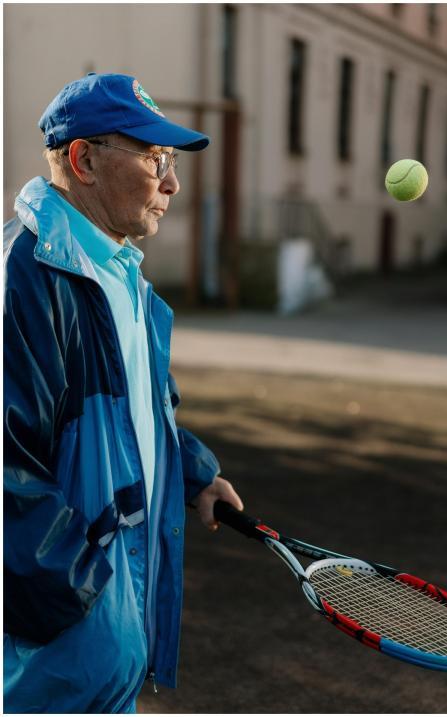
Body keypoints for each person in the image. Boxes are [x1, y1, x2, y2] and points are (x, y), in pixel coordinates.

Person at [3, 72, 244, 714]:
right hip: (58, 650)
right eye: (154, 158)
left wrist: (194, 473)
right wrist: (86, 606)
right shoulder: (24, 280)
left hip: (108, 627)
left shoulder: (122, 275)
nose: (172, 183)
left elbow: (139, 405)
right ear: (83, 160)